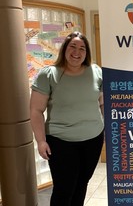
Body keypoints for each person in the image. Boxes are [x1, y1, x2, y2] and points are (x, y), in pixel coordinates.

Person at [30, 31, 104, 206]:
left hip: (93, 140)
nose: (77, 52)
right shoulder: (48, 74)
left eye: (82, 48)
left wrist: (108, 129)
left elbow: (102, 103)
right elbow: (35, 110)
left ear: (87, 53)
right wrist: (41, 141)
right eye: (72, 47)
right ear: (64, 49)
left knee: (81, 184)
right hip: (61, 142)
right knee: (64, 190)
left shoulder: (96, 71)